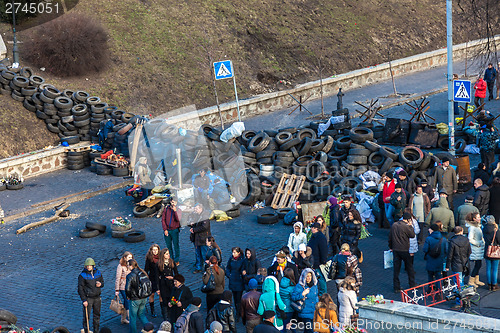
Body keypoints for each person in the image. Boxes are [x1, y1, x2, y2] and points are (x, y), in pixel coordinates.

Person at [389, 212, 416, 292]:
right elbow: (412, 235)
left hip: (396, 249)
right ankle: (412, 284)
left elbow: (390, 237)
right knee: (409, 267)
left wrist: (391, 247)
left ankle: (396, 287)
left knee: (396, 269)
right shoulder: (406, 227)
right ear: (408, 219)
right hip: (404, 249)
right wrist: (411, 226)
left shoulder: (394, 225)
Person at [78, 258, 104, 333]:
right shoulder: (82, 276)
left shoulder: (98, 273)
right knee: (86, 317)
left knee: (97, 316)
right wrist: (84, 300)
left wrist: (100, 284)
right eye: (87, 266)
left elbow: (102, 282)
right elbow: (80, 289)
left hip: (97, 297)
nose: (89, 267)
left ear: (93, 266)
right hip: (88, 298)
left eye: (90, 265)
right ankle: (86, 330)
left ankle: (96, 330)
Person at [125, 259, 151, 333]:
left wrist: (128, 296)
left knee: (132, 318)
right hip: (144, 297)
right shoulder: (142, 272)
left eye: (128, 265)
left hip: (135, 299)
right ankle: (149, 329)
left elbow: (127, 288)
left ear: (131, 266)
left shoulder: (130, 275)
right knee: (141, 314)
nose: (127, 266)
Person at [446, 226, 471, 297]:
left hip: (456, 264)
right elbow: (469, 252)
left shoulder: (452, 241)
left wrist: (447, 266)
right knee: (461, 281)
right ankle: (463, 299)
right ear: (461, 231)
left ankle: (460, 300)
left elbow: (450, 255)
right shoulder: (466, 239)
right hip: (465, 263)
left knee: (458, 283)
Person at [291, 268, 319, 333]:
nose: (309, 278)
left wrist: (317, 305)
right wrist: (302, 294)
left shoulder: (314, 285)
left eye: (310, 276)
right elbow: (293, 297)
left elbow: (316, 296)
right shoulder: (300, 286)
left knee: (308, 330)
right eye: (307, 276)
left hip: (313, 311)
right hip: (305, 312)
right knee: (309, 330)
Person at [189, 203, 211, 273]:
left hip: (203, 239)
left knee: (204, 254)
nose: (195, 210)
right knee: (197, 254)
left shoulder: (205, 216)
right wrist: (192, 224)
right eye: (195, 208)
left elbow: (205, 227)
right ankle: (199, 267)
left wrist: (194, 229)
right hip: (197, 239)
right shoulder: (197, 215)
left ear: (201, 209)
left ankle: (207, 268)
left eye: (196, 208)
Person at [307, 222, 329, 296]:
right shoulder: (314, 236)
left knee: (321, 278)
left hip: (318, 262)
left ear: (316, 229)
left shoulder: (321, 238)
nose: (311, 229)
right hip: (314, 260)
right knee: (317, 277)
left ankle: (323, 293)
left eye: (312, 228)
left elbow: (324, 250)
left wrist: (323, 261)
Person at [157, 248, 178, 321]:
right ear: (163, 255)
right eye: (166, 254)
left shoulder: (171, 262)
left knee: (173, 299)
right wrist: (158, 288)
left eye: (168, 253)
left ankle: (172, 314)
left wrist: (173, 278)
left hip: (171, 284)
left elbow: (176, 273)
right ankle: (166, 317)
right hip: (163, 284)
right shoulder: (159, 264)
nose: (168, 255)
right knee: (165, 301)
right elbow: (157, 276)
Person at [466, 212, 485, 287]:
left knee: (478, 264)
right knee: (478, 265)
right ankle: (471, 281)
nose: (480, 218)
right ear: (474, 219)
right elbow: (470, 239)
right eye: (478, 217)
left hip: (479, 249)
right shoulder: (472, 228)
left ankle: (476, 280)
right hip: (476, 249)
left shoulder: (477, 226)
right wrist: (478, 243)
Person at [161, 197, 182, 266]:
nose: (173, 203)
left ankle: (176, 260)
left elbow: (178, 219)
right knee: (168, 246)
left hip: (175, 230)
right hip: (167, 230)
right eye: (172, 202)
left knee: (176, 245)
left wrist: (175, 211)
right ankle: (170, 259)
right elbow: (163, 219)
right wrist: (165, 229)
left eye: (174, 202)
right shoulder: (166, 209)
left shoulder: (179, 210)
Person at [226, 246, 245, 320]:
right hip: (233, 280)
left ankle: (239, 312)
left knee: (239, 298)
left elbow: (243, 269)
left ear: (238, 253)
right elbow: (227, 268)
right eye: (232, 252)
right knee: (234, 297)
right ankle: (237, 311)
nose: (233, 254)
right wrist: (229, 275)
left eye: (234, 252)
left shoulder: (242, 260)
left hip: (239, 281)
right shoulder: (231, 259)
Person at [482, 216, 500, 291]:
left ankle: (489, 284)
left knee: (488, 268)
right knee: (495, 269)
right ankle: (494, 284)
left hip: (487, 250)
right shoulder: (496, 230)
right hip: (495, 251)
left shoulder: (484, 229)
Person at [115, 251, 133, 324]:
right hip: (123, 286)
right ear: (125, 258)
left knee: (127, 302)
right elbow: (118, 278)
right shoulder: (120, 266)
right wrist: (117, 289)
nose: (130, 259)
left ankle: (123, 318)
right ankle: (130, 317)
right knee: (127, 301)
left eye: (131, 257)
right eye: (129, 257)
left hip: (130, 286)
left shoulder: (131, 264)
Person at [144, 244, 161, 318]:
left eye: (156, 250)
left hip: (160, 278)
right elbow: (146, 270)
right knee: (152, 295)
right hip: (152, 278)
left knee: (161, 294)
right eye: (153, 250)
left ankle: (163, 310)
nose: (155, 251)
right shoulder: (149, 258)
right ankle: (152, 310)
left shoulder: (161, 258)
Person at [279, 268, 296, 332]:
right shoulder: (291, 286)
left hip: (282, 308)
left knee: (283, 326)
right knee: (292, 325)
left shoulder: (280, 284)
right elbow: (294, 297)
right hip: (290, 308)